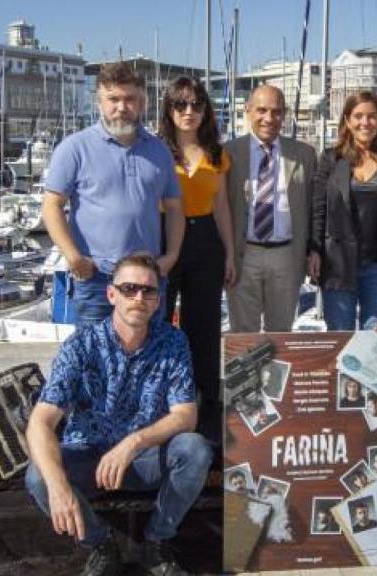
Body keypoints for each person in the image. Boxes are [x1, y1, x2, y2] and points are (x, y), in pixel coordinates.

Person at [24, 253, 212, 576]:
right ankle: (100, 545)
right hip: (89, 457)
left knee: (196, 450)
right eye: (129, 289)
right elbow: (40, 422)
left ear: (157, 300)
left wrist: (133, 443)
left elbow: (185, 416)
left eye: (148, 291)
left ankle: (156, 543)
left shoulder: (173, 342)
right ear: (111, 294)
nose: (139, 297)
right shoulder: (81, 345)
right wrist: (59, 488)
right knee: (38, 475)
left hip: (144, 459)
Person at [42, 62, 185, 327]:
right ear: (99, 103)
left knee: (148, 358)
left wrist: (172, 256)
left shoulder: (159, 151)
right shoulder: (74, 148)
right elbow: (52, 206)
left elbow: (174, 208)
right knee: (94, 360)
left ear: (141, 102)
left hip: (147, 278)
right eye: (113, 99)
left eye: (129, 99)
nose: (121, 107)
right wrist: (73, 256)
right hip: (96, 278)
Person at [158, 76, 236, 431]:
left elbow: (221, 207)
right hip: (163, 238)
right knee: (158, 320)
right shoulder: (156, 150)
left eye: (197, 105)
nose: (189, 112)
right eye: (181, 104)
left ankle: (206, 400)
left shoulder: (217, 153)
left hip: (205, 238)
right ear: (169, 109)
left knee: (203, 325)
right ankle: (161, 396)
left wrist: (230, 254)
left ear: (206, 110)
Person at [310, 91, 377, 329]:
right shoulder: (330, 160)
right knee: (340, 338)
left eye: (371, 116)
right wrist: (313, 251)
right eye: (358, 116)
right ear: (347, 120)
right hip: (337, 264)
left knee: (375, 342)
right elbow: (318, 210)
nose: (365, 123)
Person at [225, 85, 316, 332]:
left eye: (276, 112)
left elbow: (315, 207)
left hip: (286, 255)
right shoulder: (228, 153)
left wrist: (313, 252)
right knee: (243, 335)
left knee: (281, 335)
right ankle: (247, 374)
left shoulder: (305, 155)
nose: (269, 118)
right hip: (244, 254)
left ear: (284, 114)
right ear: (247, 111)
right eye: (261, 110)